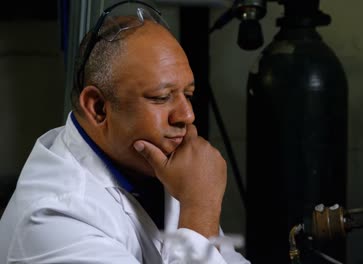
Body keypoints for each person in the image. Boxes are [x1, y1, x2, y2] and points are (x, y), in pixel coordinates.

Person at [0, 1, 250, 263]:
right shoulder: (54, 217)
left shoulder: (167, 169)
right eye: (161, 97)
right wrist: (200, 208)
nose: (187, 115)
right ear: (98, 108)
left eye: (188, 94)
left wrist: (197, 206)